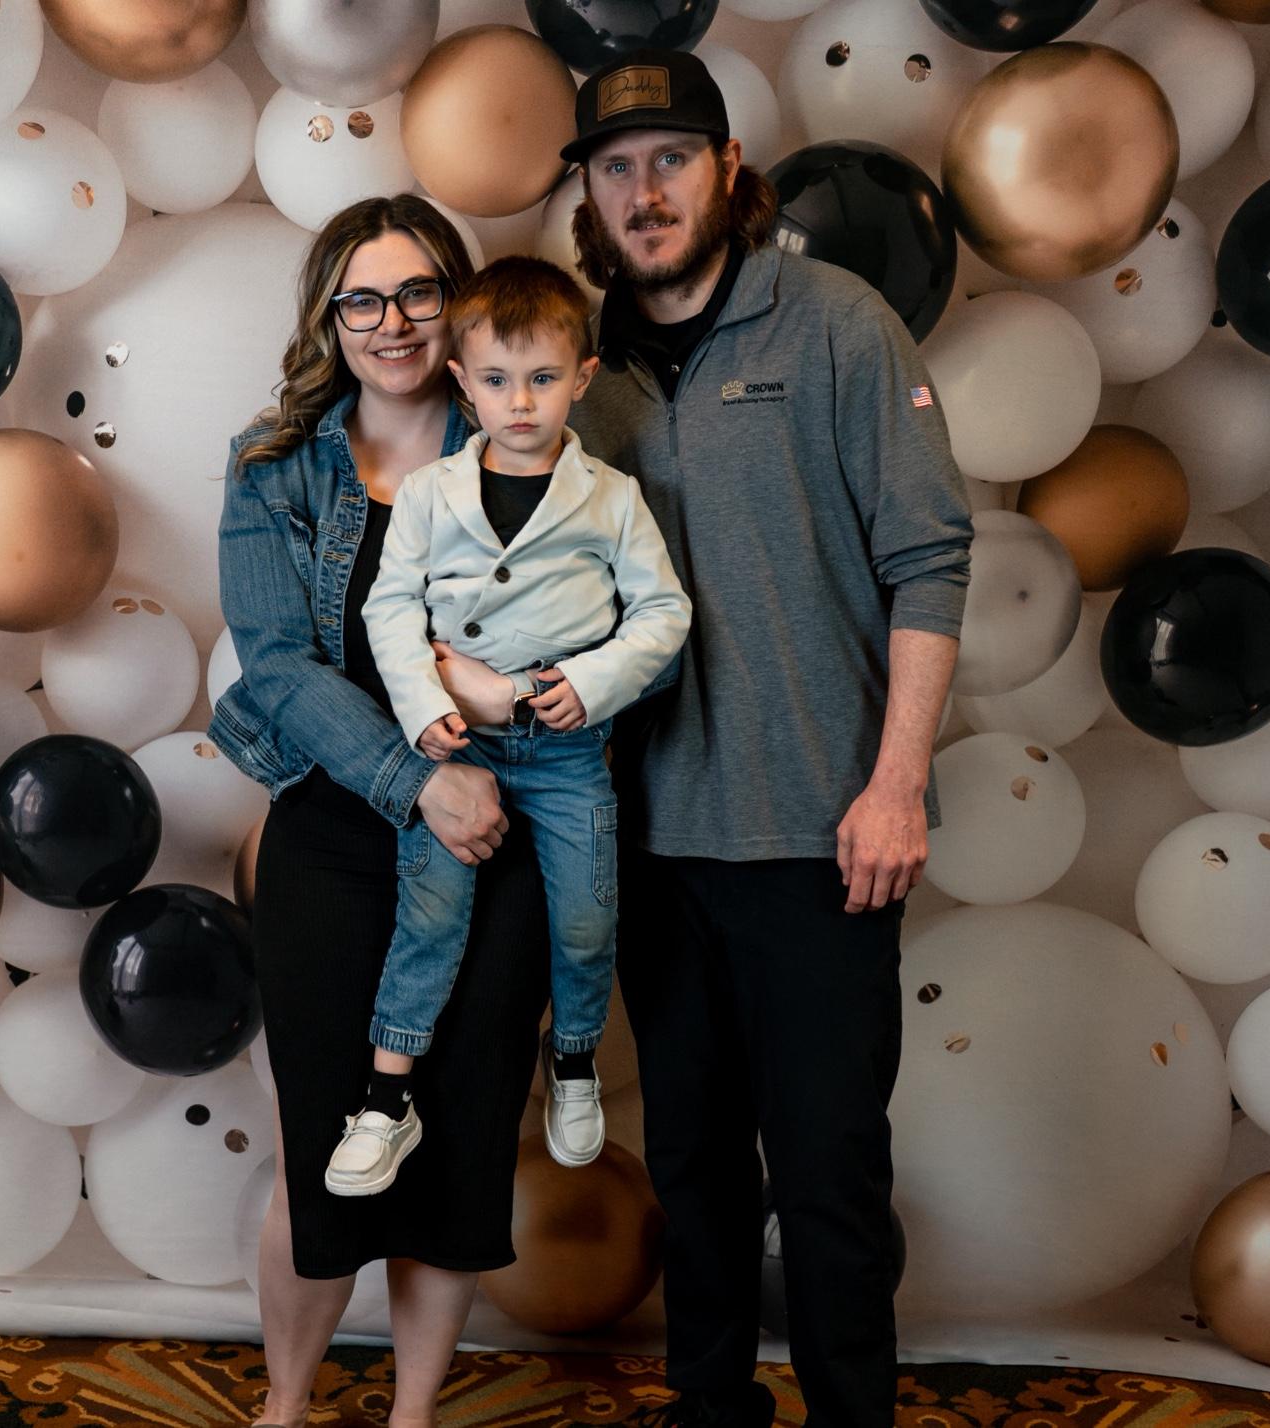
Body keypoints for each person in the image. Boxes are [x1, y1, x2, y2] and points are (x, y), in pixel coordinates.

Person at [562, 48, 975, 1428]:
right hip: (651, 843)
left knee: (829, 1175)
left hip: (824, 835)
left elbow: (930, 557)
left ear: (728, 169)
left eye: (671, 159)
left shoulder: (839, 324)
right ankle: (711, 1407)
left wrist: (896, 786)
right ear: (590, 195)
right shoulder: (577, 370)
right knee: (692, 1166)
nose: (644, 191)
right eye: (616, 168)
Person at [211, 194, 550, 1428]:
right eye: (363, 298)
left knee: (455, 1147)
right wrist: (420, 781)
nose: (392, 322)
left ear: (456, 303)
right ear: (330, 317)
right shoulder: (274, 464)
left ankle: (412, 1417)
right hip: (338, 840)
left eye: (417, 293)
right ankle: (285, 1409)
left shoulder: (531, 447)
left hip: (498, 838)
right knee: (328, 1153)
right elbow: (279, 666)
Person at [321, 256, 690, 1195]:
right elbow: (389, 610)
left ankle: (574, 1058)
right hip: (459, 744)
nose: (519, 403)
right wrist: (426, 706)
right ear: (462, 382)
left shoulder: (610, 497)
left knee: (588, 916)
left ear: (583, 379)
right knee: (429, 916)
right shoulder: (431, 492)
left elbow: (664, 612)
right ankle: (386, 1099)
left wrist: (593, 682)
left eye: (542, 378)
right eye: (495, 380)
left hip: (567, 748)